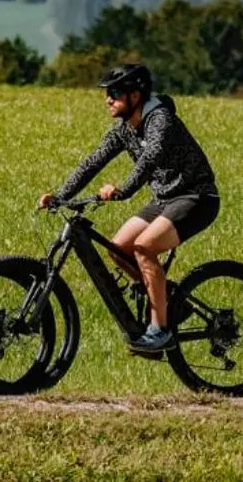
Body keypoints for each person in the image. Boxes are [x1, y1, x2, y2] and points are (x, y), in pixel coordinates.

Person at [39, 62, 219, 353]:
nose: (108, 99)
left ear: (135, 96)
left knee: (144, 247)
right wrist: (60, 195)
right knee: (118, 248)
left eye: (115, 92)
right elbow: (93, 161)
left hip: (196, 197)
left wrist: (123, 190)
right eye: (107, 93)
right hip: (164, 199)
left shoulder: (160, 119)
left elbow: (151, 157)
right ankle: (170, 302)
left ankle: (160, 330)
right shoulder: (124, 128)